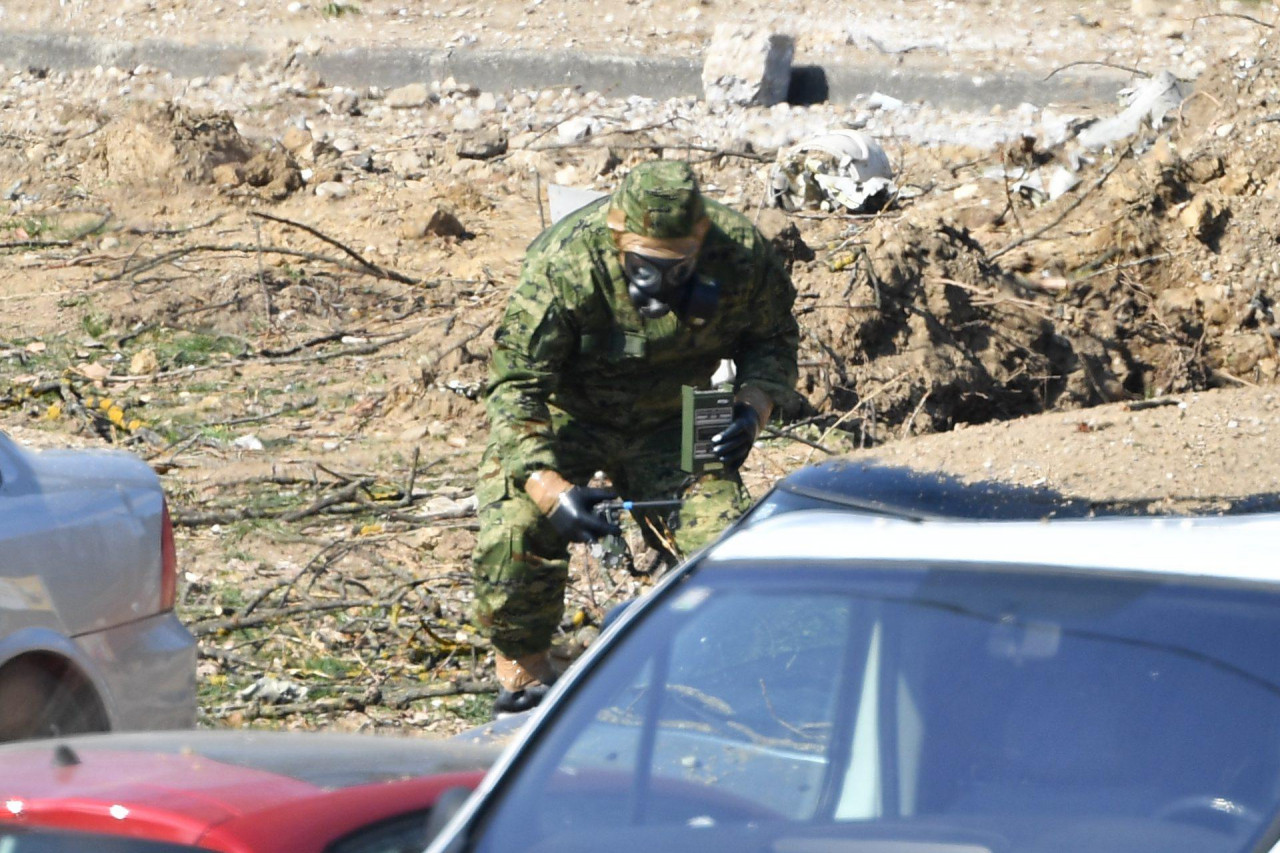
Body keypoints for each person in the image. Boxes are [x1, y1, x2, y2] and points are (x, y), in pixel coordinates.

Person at [472, 159, 800, 715]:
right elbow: (515, 384)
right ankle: (525, 680)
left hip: (679, 413)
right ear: (619, 238)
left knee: (724, 547)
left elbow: (773, 339)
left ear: (700, 241)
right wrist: (549, 487)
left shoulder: (741, 253)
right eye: (645, 266)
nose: (660, 285)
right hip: (567, 413)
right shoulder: (566, 263)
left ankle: (707, 675)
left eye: (678, 269)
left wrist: (752, 409)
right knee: (514, 532)